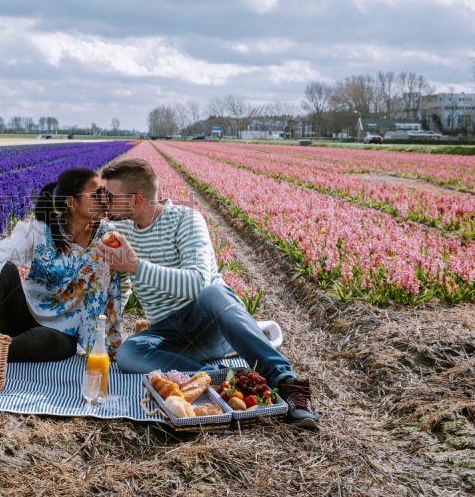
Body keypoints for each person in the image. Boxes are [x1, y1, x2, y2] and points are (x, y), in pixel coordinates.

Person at [97, 158, 320, 430]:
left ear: (136, 201)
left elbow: (197, 283)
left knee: (213, 292)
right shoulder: (120, 232)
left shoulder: (186, 219)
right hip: (170, 333)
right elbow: (120, 288)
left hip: (210, 323)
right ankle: (215, 381)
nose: (103, 201)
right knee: (129, 353)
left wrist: (134, 265)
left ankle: (286, 383)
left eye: (109, 196)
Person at [0, 168, 127, 362]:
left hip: (62, 332)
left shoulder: (108, 237)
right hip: (22, 315)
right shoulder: (39, 231)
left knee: (47, 341)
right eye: (96, 194)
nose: (104, 199)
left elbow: (114, 290)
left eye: (103, 193)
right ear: (71, 203)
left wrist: (113, 342)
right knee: (3, 269)